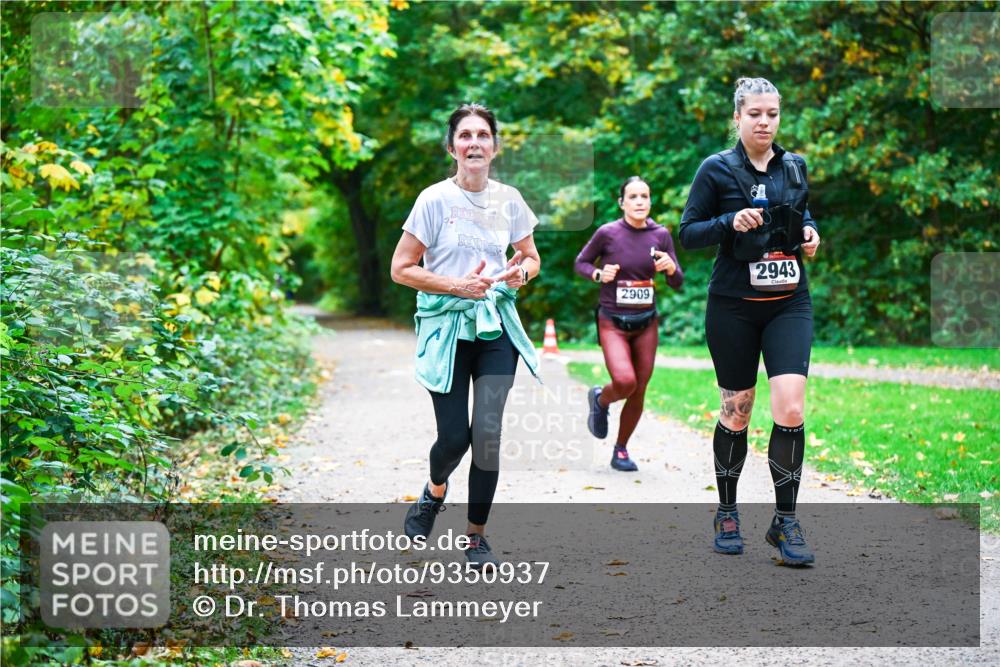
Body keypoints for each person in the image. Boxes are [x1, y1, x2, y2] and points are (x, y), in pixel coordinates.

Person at [390, 103, 540, 569]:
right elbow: (401, 268)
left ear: (495, 146)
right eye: (465, 135)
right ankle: (434, 491)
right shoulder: (433, 200)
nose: (474, 143)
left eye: (483, 135)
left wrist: (520, 274)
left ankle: (475, 537)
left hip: (495, 326)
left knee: (487, 435)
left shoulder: (509, 200)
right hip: (448, 328)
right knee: (454, 438)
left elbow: (531, 256)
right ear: (452, 146)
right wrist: (457, 285)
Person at [680, 77, 821, 566]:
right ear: (737, 117)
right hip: (733, 306)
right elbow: (688, 233)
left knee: (791, 408)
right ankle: (727, 512)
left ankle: (785, 522)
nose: (765, 122)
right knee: (737, 411)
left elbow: (804, 214)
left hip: (789, 302)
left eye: (772, 113)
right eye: (755, 113)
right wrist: (729, 221)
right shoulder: (716, 169)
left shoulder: (794, 165)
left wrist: (810, 232)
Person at [575, 176, 684, 471]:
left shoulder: (660, 235)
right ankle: (601, 399)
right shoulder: (608, 233)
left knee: (639, 389)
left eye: (644, 196)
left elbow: (677, 281)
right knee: (625, 382)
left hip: (646, 323)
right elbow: (581, 263)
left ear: (650, 201)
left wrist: (671, 268)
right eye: (633, 197)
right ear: (621, 203)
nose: (639, 202)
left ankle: (621, 449)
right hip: (612, 321)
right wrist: (599, 275)